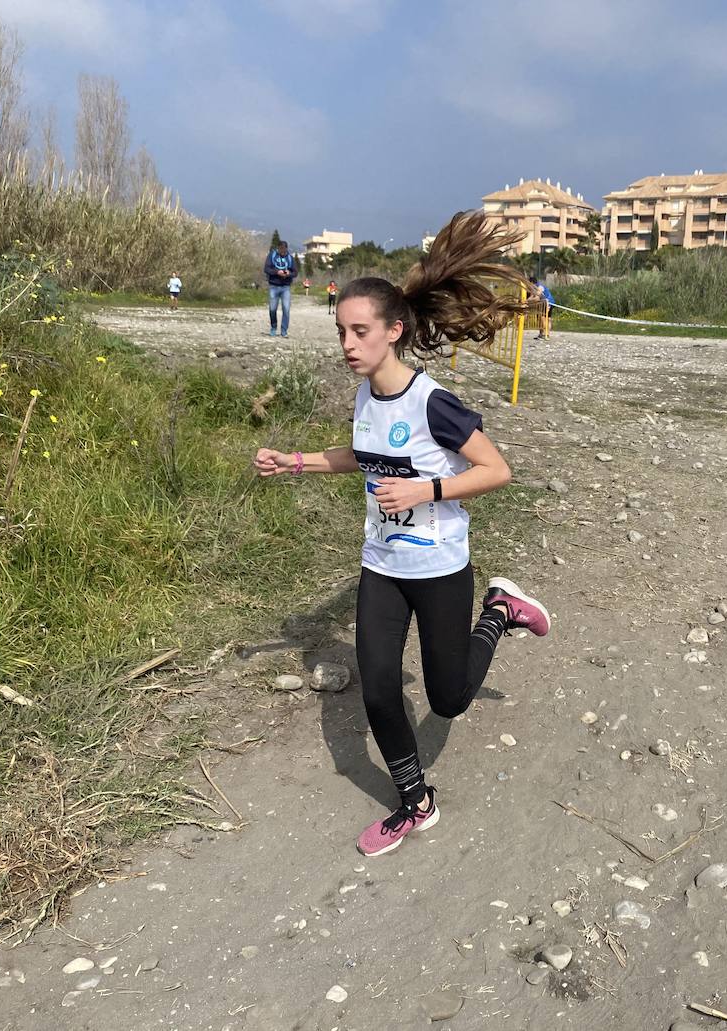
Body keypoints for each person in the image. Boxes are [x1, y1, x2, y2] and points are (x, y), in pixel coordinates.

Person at [252, 211, 549, 858]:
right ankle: (416, 801)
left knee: (447, 698)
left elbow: (498, 469)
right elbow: (365, 456)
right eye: (341, 332)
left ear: (394, 331)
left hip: (441, 567)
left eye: (360, 332)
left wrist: (426, 490)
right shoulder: (366, 396)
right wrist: (294, 461)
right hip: (383, 564)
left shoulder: (431, 402)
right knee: (380, 684)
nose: (348, 345)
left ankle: (498, 610)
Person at [265, 241, 297, 337]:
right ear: (278, 248)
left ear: (287, 249)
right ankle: (273, 327)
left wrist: (288, 274)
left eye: (284, 249)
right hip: (273, 286)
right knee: (272, 309)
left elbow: (295, 272)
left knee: (286, 309)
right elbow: (266, 269)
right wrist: (276, 272)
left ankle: (284, 331)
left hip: (285, 287)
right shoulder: (272, 256)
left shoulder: (290, 258)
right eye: (281, 249)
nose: (282, 251)